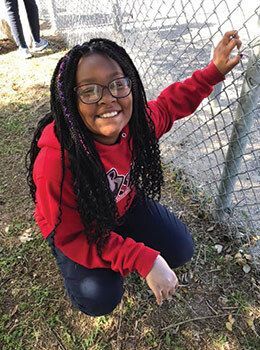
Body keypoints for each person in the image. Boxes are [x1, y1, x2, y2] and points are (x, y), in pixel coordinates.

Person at [26, 31, 242, 317]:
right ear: (69, 101)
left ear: (131, 86)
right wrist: (142, 259)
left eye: (118, 84)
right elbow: (74, 236)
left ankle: (117, 238)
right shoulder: (56, 162)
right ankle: (80, 266)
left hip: (121, 206)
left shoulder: (135, 126)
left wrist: (212, 72)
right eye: (89, 91)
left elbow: (169, 106)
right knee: (100, 296)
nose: (108, 99)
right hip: (76, 228)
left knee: (180, 250)